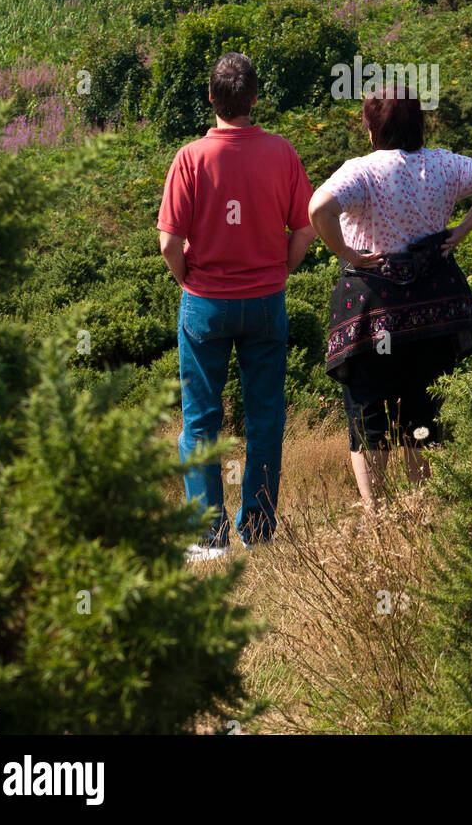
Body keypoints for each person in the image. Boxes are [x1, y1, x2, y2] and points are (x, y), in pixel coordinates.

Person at [308, 90, 472, 504]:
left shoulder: (361, 172)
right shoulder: (444, 164)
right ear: (420, 124)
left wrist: (347, 253)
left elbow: (319, 208)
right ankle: (423, 508)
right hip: (433, 314)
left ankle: (377, 518)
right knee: (424, 414)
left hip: (372, 314)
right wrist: (463, 229)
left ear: (370, 129)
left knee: (370, 418)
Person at [158, 52, 315, 561]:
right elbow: (306, 227)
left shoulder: (190, 158)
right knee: (265, 418)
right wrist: (281, 273)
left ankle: (208, 537)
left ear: (211, 98)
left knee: (201, 419)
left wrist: (189, 279)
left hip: (206, 302)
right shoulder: (283, 153)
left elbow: (168, 241)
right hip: (266, 300)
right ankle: (260, 529)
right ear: (254, 99)